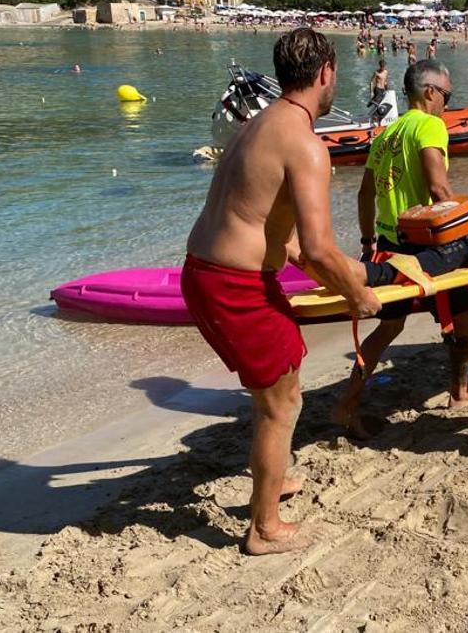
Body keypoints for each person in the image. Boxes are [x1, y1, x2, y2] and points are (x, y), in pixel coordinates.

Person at [182, 28, 381, 554]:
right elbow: (318, 249)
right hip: (233, 285)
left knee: (277, 386)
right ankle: (264, 528)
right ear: (326, 74)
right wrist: (357, 296)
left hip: (205, 272)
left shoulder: (255, 126)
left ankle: (276, 478)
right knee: (282, 404)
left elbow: (267, 221)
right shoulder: (307, 144)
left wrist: (324, 269)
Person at [337, 60, 468, 438]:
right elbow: (439, 191)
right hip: (426, 245)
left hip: (389, 244)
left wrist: (366, 241)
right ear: (429, 92)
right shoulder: (429, 125)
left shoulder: (388, 133)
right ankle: (460, 392)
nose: (448, 105)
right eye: (447, 97)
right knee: (466, 307)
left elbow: (365, 193)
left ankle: (348, 403)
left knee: (388, 327)